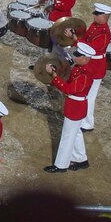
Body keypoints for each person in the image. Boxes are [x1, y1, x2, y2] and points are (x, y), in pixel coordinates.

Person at [44, 42, 95, 173]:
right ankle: (81, 159)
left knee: (67, 136)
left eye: (78, 55)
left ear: (86, 58)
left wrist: (54, 76)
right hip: (75, 105)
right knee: (75, 133)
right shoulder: (79, 67)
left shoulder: (85, 74)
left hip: (76, 107)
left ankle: (61, 165)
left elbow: (68, 89)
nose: (75, 57)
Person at [75, 3, 111, 130]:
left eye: (97, 14)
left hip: (96, 67)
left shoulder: (104, 32)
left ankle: (88, 123)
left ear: (104, 17)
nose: (94, 15)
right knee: (85, 94)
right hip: (90, 63)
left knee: (90, 97)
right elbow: (86, 40)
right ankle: (83, 119)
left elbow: (91, 49)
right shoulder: (95, 25)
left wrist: (75, 40)